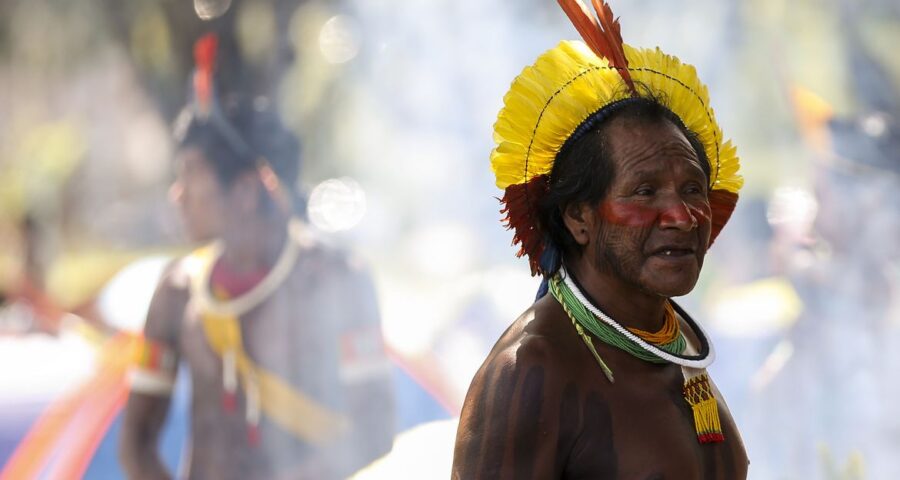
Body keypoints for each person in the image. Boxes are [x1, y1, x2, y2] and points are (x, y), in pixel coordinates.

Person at [452, 1, 748, 478]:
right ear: (579, 219)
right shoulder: (531, 370)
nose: (682, 215)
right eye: (645, 192)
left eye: (692, 189)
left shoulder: (676, 338)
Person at [119, 34, 394, 479]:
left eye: (191, 174)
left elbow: (373, 431)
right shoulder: (175, 292)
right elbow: (136, 443)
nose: (178, 194)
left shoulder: (338, 279)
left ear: (246, 190)